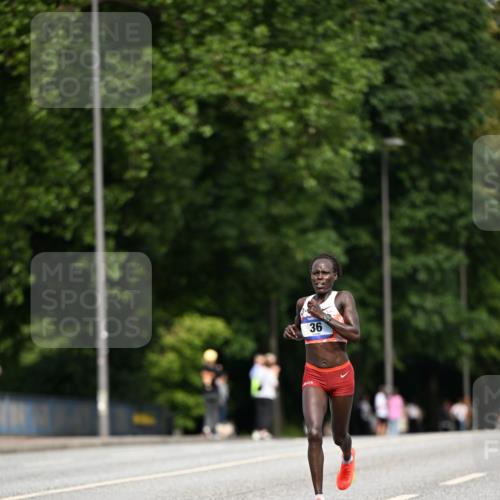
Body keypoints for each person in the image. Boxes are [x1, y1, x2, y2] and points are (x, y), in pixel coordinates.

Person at [284, 253, 361, 500]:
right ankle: (318, 496)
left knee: (339, 435)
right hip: (313, 375)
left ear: (335, 275)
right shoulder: (302, 303)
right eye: (315, 273)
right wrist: (292, 331)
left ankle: (347, 456)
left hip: (340, 375)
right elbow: (299, 327)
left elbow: (355, 333)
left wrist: (324, 316)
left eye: (325, 272)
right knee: (314, 432)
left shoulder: (343, 298)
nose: (320, 277)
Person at [251, 353, 280, 440]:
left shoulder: (259, 370)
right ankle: (264, 431)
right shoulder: (271, 372)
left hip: (258, 394)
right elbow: (275, 383)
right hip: (268, 395)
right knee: (267, 414)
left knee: (260, 413)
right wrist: (276, 374)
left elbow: (253, 377)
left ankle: (259, 430)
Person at [200, 348, 223, 438]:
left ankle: (209, 429)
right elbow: (220, 380)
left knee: (209, 411)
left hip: (208, 392)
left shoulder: (204, 368)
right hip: (213, 392)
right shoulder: (217, 368)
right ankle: (211, 429)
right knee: (212, 411)